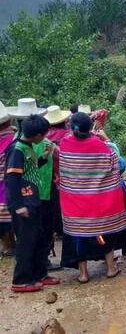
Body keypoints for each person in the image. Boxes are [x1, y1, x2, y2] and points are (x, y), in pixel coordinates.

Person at [56, 113, 126, 283]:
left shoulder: (65, 144)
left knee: (80, 236)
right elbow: (117, 164)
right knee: (104, 234)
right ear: (90, 128)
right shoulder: (99, 145)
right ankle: (111, 268)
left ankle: (83, 274)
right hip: (98, 203)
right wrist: (106, 139)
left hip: (76, 204)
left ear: (71, 128)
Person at [4, 115, 60, 292]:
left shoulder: (28, 147)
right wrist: (18, 205)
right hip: (23, 203)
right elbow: (12, 179)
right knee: (26, 242)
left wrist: (43, 157)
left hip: (33, 200)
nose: (45, 137)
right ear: (37, 135)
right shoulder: (17, 149)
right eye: (44, 134)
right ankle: (20, 280)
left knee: (39, 237)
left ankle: (39, 274)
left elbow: (31, 170)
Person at [44, 106, 72, 238]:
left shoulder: (44, 137)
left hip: (50, 174)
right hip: (66, 173)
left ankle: (57, 228)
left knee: (54, 203)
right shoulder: (68, 135)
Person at [0, 101, 16, 257]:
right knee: (9, 211)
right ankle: (9, 243)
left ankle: (7, 244)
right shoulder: (13, 136)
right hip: (8, 179)